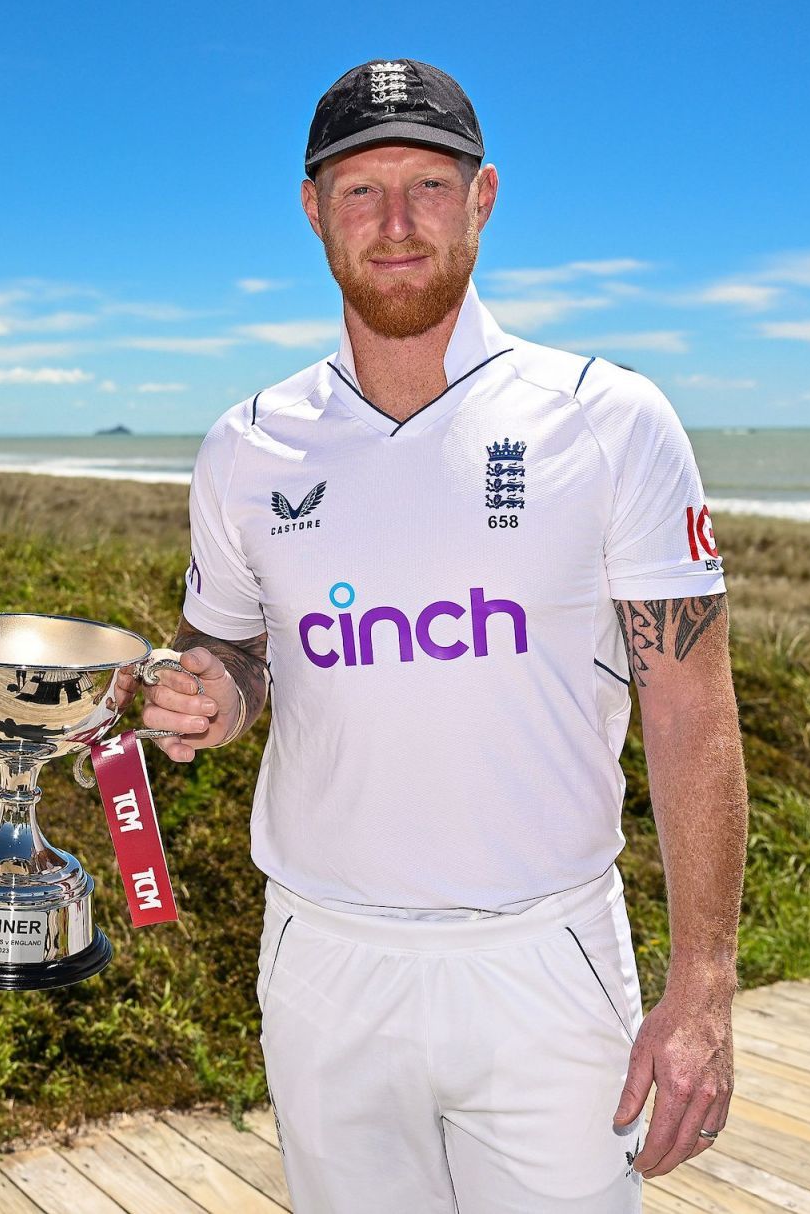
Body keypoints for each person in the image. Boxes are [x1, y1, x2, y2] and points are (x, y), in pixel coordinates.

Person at [139, 59, 747, 1211]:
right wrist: (212, 692)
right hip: (323, 958)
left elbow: (691, 709)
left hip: (546, 956)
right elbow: (230, 650)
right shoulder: (247, 444)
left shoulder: (609, 418)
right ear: (314, 210)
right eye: (361, 192)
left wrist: (703, 986)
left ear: (485, 198)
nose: (398, 222)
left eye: (429, 183)